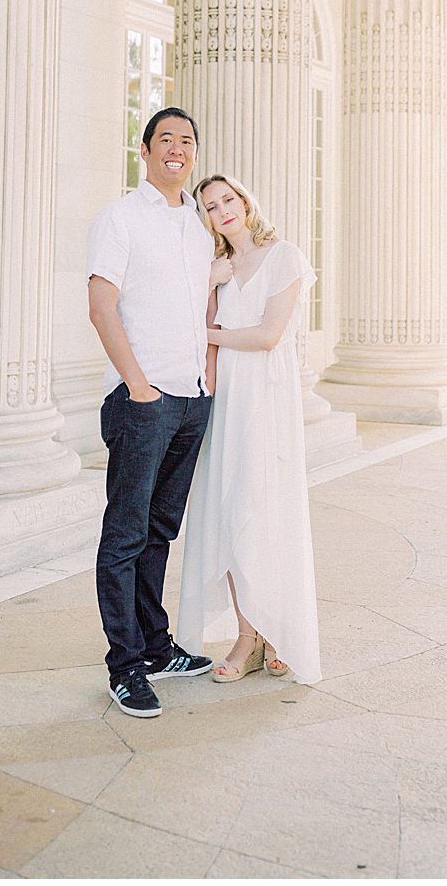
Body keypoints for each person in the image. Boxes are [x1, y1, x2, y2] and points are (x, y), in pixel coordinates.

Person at [87, 107, 216, 719]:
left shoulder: (197, 220)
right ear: (144, 150)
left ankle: (157, 648)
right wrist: (139, 387)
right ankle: (125, 665)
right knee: (125, 537)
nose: (177, 148)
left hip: (191, 401)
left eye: (187, 141)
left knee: (160, 534)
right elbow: (101, 306)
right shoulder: (120, 217)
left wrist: (206, 383)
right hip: (144, 403)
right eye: (166, 138)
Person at [177, 174, 322, 685]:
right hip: (226, 404)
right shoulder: (215, 269)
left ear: (244, 201)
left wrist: (207, 333)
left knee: (265, 510)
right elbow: (191, 331)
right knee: (231, 510)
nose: (223, 211)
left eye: (228, 200)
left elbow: (266, 336)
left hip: (265, 399)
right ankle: (248, 635)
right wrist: (207, 283)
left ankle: (277, 628)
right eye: (211, 207)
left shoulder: (284, 256)